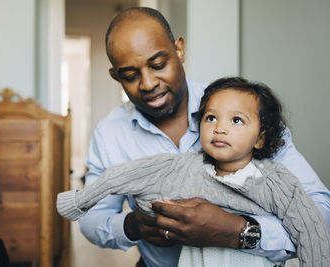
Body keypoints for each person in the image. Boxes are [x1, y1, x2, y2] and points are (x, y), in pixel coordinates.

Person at [76, 6, 330, 267]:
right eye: (130, 75)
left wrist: (236, 231)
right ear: (115, 76)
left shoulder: (242, 111)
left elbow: (320, 211)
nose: (148, 83)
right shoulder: (110, 133)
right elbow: (92, 218)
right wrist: (133, 226)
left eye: (158, 64)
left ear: (180, 50)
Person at [57, 77, 330, 266]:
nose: (220, 128)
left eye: (236, 121)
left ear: (261, 137)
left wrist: (235, 229)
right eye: (211, 118)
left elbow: (312, 229)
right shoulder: (184, 166)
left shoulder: (274, 181)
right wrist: (82, 202)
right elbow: (129, 175)